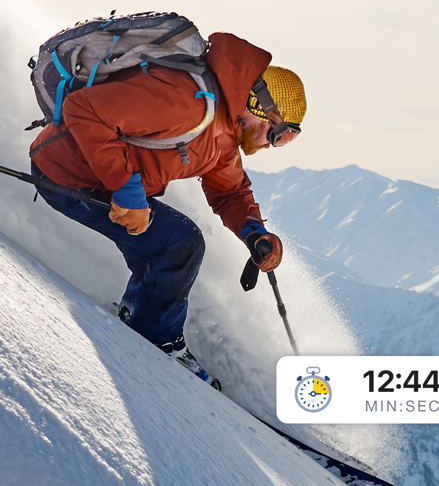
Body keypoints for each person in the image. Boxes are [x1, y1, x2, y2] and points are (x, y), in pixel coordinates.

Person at [30, 30, 306, 384]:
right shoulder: (187, 103)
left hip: (99, 182)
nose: (273, 145)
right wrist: (127, 192)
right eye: (279, 134)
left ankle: (138, 318)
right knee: (180, 242)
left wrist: (255, 233)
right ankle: (157, 341)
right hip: (66, 174)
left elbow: (230, 193)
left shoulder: (221, 134)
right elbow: (83, 110)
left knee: (159, 249)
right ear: (261, 106)